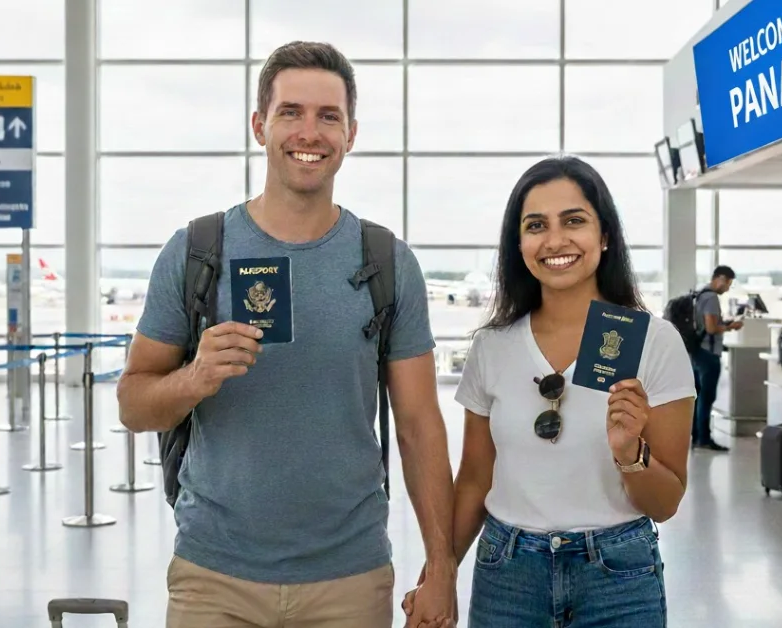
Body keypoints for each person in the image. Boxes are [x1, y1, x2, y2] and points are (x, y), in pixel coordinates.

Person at [117, 41, 457, 628]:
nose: (310, 132)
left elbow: (420, 422)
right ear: (259, 126)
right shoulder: (197, 252)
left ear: (351, 134)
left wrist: (443, 565)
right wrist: (196, 377)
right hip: (213, 576)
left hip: (349, 577)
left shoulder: (387, 262)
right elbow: (133, 404)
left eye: (329, 117)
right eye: (290, 112)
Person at [402, 156, 696, 627]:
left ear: (604, 236)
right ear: (519, 245)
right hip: (508, 574)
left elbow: (665, 503)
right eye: (536, 225)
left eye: (574, 221)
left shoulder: (653, 342)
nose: (555, 240)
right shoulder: (493, 346)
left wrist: (628, 453)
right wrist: (438, 573)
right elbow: (476, 479)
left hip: (618, 575)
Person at [691, 265, 741, 452]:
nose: (727, 287)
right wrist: (731, 326)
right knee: (706, 397)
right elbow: (711, 328)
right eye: (728, 283)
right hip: (708, 353)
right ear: (719, 278)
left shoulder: (698, 294)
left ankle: (696, 436)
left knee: (697, 397)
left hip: (695, 352)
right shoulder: (711, 298)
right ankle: (704, 438)